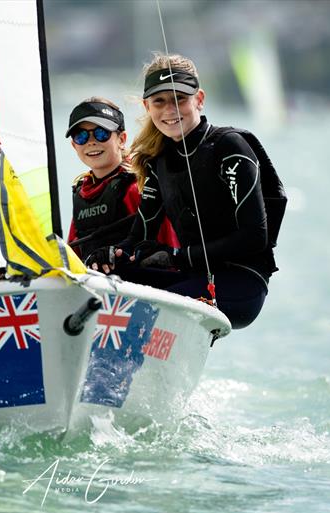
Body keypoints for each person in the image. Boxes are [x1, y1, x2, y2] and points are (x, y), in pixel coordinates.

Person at [90, 53, 285, 329]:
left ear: (199, 99)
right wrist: (110, 254)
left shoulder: (230, 147)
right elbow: (139, 238)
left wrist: (178, 256)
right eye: (159, 101)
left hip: (242, 283)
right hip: (192, 277)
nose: (169, 109)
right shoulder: (159, 161)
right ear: (147, 106)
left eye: (179, 99)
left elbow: (255, 236)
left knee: (145, 310)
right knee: (97, 284)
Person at [64, 97, 178, 268]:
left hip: (141, 286)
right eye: (81, 136)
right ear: (74, 145)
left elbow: (169, 248)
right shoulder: (82, 194)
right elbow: (71, 259)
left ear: (122, 139)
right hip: (97, 287)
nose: (92, 142)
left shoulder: (138, 187)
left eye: (102, 133)